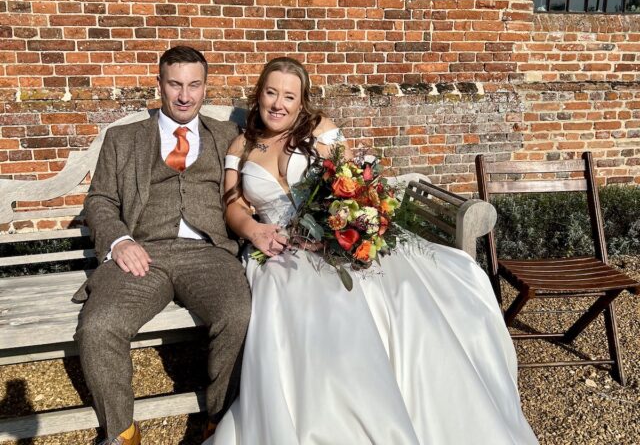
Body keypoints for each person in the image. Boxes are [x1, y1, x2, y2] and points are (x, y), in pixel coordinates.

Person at [205, 57, 539, 445]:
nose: (278, 103)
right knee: (298, 304)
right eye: (271, 92)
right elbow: (232, 204)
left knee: (401, 298)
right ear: (259, 94)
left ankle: (412, 399)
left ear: (302, 102)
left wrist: (339, 228)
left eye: (289, 96)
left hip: (331, 240)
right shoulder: (242, 145)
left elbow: (347, 188)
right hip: (277, 250)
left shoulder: (321, 131)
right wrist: (254, 230)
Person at [73, 46, 251, 445]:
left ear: (205, 88)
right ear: (159, 85)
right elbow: (100, 199)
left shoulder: (228, 137)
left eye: (194, 85)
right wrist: (119, 241)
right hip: (143, 253)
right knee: (98, 328)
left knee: (239, 314)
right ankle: (122, 433)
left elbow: (259, 182)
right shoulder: (124, 139)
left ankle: (220, 425)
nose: (184, 95)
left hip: (208, 254)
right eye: (175, 84)